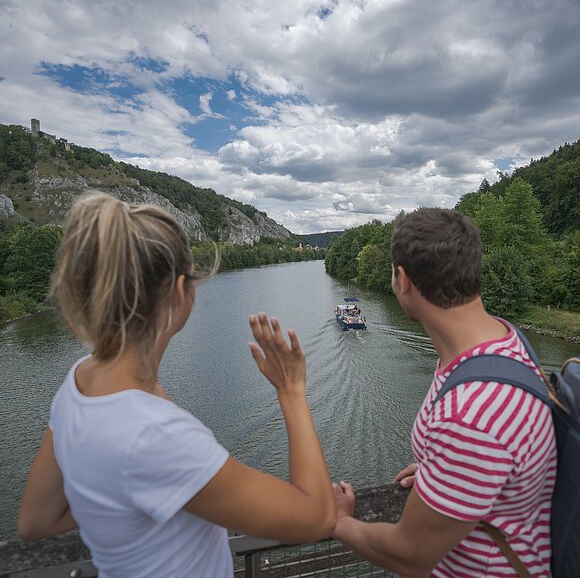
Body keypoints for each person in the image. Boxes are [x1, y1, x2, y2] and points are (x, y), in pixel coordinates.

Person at [17, 192, 335, 578]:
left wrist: (132, 505)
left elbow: (36, 522)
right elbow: (315, 518)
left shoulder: (79, 383)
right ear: (180, 291)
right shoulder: (155, 436)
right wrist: (292, 390)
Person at [332, 208, 556, 577]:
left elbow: (411, 555)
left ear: (402, 280)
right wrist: (446, 473)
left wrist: (339, 521)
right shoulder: (502, 340)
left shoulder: (469, 416)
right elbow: (497, 447)